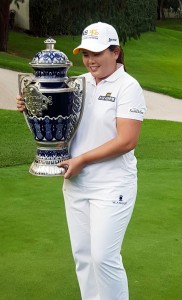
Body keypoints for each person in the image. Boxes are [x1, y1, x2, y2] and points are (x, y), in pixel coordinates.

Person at [17, 22, 147, 300]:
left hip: (112, 186)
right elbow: (60, 124)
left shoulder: (128, 87)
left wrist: (83, 160)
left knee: (104, 258)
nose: (90, 60)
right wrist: (33, 105)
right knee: (84, 258)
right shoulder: (78, 83)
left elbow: (127, 140)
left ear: (115, 52)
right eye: (85, 53)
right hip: (76, 183)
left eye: (97, 53)